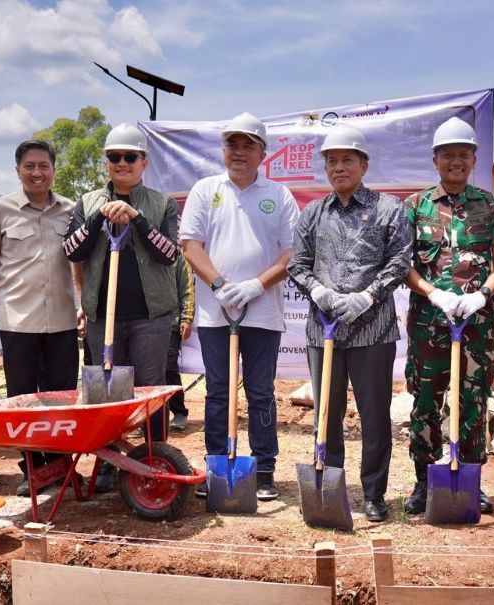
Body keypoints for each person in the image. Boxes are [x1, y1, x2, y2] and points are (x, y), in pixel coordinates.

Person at [289, 125, 411, 522]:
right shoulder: (313, 213)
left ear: (364, 164)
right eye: (332, 161)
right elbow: (297, 265)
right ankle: (330, 487)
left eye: (347, 160)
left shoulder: (389, 209)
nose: (339, 167)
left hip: (373, 332)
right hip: (322, 331)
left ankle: (374, 494)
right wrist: (318, 292)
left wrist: (368, 296)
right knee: (327, 413)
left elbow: (400, 261)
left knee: (375, 416)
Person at [180, 112, 299, 501]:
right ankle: (218, 462)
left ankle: (263, 470)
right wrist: (218, 283)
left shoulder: (278, 195)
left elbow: (291, 253)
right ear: (223, 149)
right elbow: (191, 245)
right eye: (232, 143)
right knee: (217, 391)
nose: (239, 151)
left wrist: (255, 285)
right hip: (217, 313)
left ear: (263, 152)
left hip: (263, 313)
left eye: (248, 144)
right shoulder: (205, 189)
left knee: (261, 392)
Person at [401, 117, 494, 515]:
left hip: (476, 326)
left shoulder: (491, 205)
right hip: (429, 325)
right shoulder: (415, 206)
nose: (456, 161)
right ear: (435, 160)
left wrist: (482, 294)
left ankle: (470, 480)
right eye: (448, 155)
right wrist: (433, 293)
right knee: (426, 402)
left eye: (463, 155)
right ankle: (422, 480)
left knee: (473, 402)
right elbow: (405, 264)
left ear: (474, 159)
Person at [63, 123, 181, 491]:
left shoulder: (161, 204)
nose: (122, 163)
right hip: (103, 319)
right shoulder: (87, 203)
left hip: (151, 317)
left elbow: (170, 255)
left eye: (130, 157)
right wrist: (100, 217)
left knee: (151, 394)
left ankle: (153, 459)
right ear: (107, 162)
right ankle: (111, 463)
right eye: (115, 157)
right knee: (107, 395)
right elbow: (71, 250)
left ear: (143, 161)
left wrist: (137, 218)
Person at [0, 140, 82, 496]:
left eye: (44, 166)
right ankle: (33, 471)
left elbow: (77, 262)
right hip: (18, 322)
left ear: (54, 169)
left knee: (62, 401)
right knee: (24, 401)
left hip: (64, 322)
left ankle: (61, 469)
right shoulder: (0, 209)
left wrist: (82, 303)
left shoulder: (70, 210)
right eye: (29, 166)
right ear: (17, 170)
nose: (37, 173)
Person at [167, 252, 195, 432]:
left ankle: (179, 411)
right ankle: (148, 418)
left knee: (168, 367)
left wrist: (186, 318)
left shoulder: (176, 254)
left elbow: (187, 288)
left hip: (170, 323)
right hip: (141, 323)